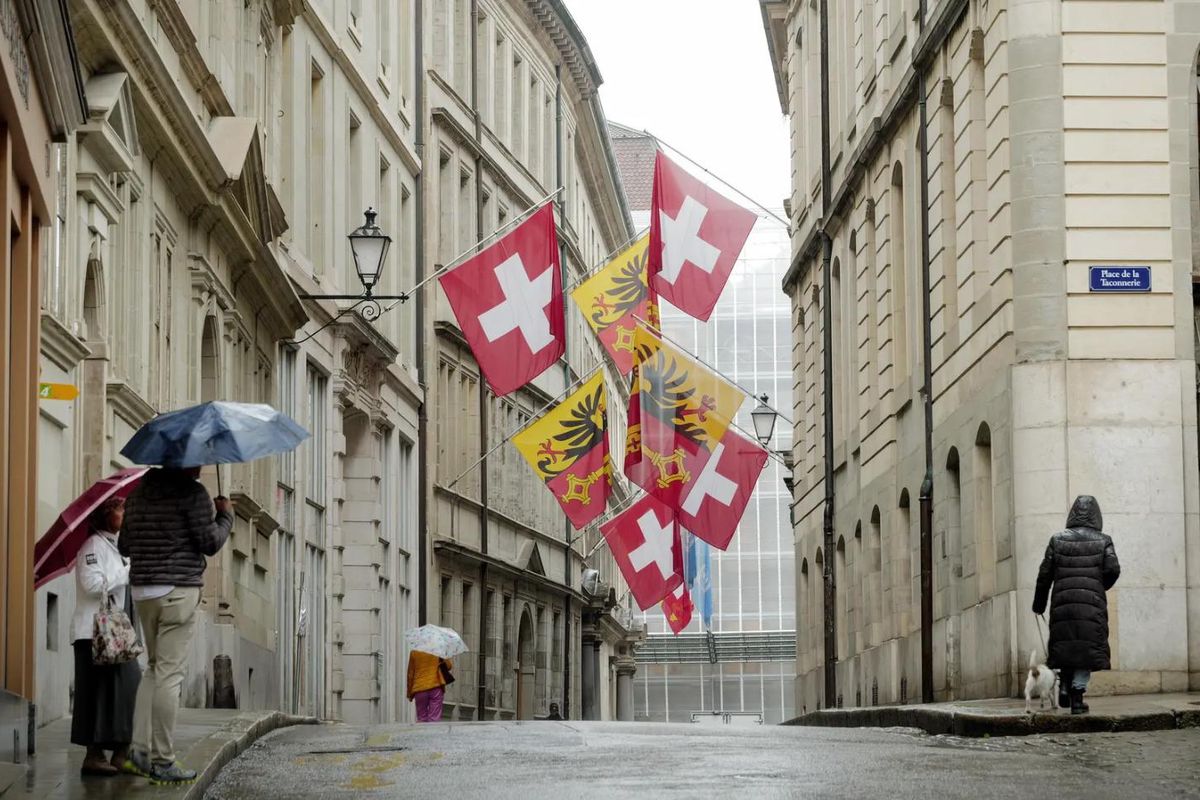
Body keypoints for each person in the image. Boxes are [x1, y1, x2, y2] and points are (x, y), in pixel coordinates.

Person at [119, 467, 233, 784]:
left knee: (153, 669)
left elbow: (123, 546)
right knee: (169, 673)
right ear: (185, 463)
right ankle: (163, 760)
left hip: (143, 590)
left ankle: (139, 752)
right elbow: (209, 542)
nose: (200, 466)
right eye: (196, 460)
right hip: (177, 590)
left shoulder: (137, 494)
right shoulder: (193, 493)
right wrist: (225, 517)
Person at [71, 497, 141, 777]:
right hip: (92, 633)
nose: (125, 513)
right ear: (105, 514)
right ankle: (94, 755)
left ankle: (122, 753)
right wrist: (125, 573)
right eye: (120, 508)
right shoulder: (91, 546)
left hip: (116, 633)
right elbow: (92, 585)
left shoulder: (116, 545)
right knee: (95, 694)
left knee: (130, 690)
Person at [1032, 495, 1121, 715]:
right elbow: (1113, 569)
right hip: (1092, 605)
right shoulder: (1104, 540)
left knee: (1066, 646)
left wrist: (1039, 604)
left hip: (1063, 604)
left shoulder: (1057, 539)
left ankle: (1063, 685)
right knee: (1086, 650)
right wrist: (1099, 586)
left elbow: (1044, 575)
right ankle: (1078, 699)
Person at [407, 651, 452, 722]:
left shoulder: (414, 652)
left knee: (421, 718)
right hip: (436, 686)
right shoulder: (438, 650)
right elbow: (449, 666)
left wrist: (409, 693)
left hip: (420, 688)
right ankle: (432, 732)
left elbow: (410, 673)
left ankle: (422, 732)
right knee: (434, 719)